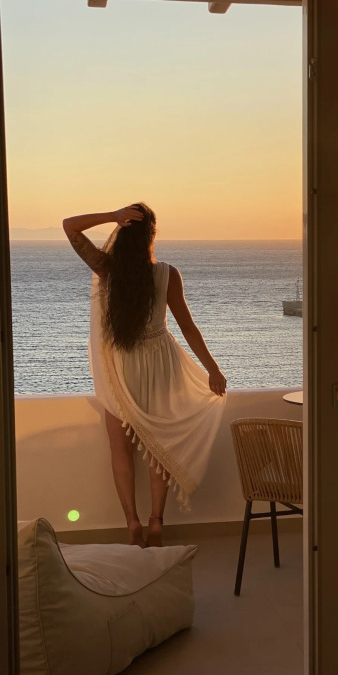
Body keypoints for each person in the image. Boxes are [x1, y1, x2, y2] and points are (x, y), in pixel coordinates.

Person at [63, 203, 227, 547]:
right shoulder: (167, 274)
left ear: (121, 233)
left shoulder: (106, 268)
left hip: (120, 366)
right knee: (158, 447)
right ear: (152, 235)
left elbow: (70, 226)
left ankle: (131, 523)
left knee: (120, 449)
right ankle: (156, 523)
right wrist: (212, 369)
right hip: (160, 363)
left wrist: (113, 216)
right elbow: (188, 327)